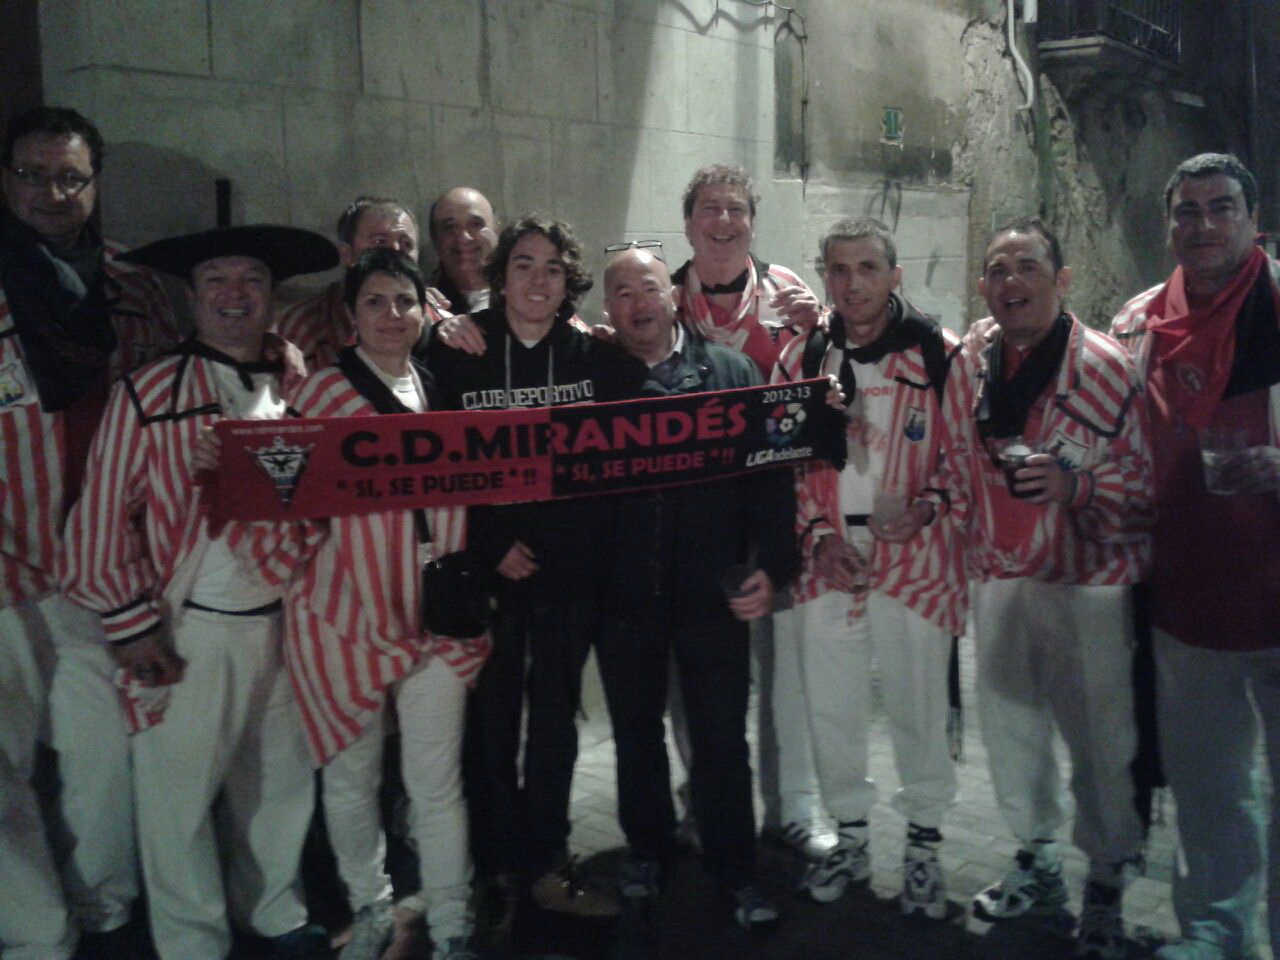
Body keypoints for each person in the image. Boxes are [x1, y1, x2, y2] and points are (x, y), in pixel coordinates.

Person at [60, 224, 338, 960]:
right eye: (217, 279)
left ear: (272, 294)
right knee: (177, 797)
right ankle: (192, 941)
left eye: (251, 279)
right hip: (196, 625)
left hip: (292, 618)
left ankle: (273, 910)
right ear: (192, 294)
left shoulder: (307, 386)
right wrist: (131, 626)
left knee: (278, 781)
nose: (234, 294)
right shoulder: (149, 392)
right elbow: (98, 520)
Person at [233, 248, 486, 960]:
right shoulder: (318, 395)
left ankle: (451, 920)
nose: (391, 315)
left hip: (436, 618)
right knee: (351, 781)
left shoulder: (439, 387)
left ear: (423, 311)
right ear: (350, 315)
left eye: (404, 301)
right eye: (374, 301)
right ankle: (370, 905)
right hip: (343, 616)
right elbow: (281, 498)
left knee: (435, 782)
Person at [938, 217, 1153, 960]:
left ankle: (1107, 880)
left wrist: (1076, 486)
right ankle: (1035, 859)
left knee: (1101, 742)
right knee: (1011, 732)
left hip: (1084, 581)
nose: (1012, 282)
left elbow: (1146, 487)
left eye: (1028, 267)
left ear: (1061, 280)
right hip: (998, 572)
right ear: (982, 287)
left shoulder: (1108, 367)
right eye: (998, 270)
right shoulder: (974, 359)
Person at [0, 105, 177, 960]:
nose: (51, 193)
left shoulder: (134, 291)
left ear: (95, 184)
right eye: (33, 175)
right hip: (3, 567)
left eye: (70, 177)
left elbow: (173, 406)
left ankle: (104, 916)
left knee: (103, 760)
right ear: (6, 182)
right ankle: (38, 934)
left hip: (92, 571)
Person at [591, 245, 798, 930]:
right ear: (607, 308)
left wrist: (775, 566)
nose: (638, 304)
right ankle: (648, 852)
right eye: (622, 293)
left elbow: (770, 480)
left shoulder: (733, 373)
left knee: (721, 742)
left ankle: (736, 869)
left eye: (649, 288)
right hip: (625, 598)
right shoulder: (593, 382)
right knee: (636, 739)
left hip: (713, 599)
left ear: (675, 296)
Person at [425, 216, 618, 930]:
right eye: (524, 265)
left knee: (556, 729)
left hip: (568, 576)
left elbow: (649, 438)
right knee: (491, 730)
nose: (538, 280)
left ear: (569, 283)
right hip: (489, 576)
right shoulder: (458, 352)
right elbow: (435, 464)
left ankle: (546, 865)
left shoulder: (596, 357)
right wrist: (488, 545)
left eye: (553, 269)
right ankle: (496, 870)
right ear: (500, 276)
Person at [1110, 153, 1280, 960]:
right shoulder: (1136, 321)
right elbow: (1111, 435)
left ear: (1254, 219)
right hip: (1186, 596)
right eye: (1187, 210)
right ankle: (1214, 930)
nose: (1203, 224)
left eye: (1221, 208)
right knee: (1209, 786)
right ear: (1168, 223)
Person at [774, 218, 964, 917]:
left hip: (917, 552)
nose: (852, 283)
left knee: (919, 706)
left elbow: (963, 456)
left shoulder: (940, 353)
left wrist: (928, 509)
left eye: (867, 268)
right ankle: (850, 835)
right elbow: (781, 460)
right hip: (827, 558)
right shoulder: (801, 357)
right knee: (832, 707)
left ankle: (924, 846)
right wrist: (818, 535)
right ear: (824, 276)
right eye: (838, 269)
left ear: (894, 275)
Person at [276, 195, 421, 368]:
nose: (395, 251)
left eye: (406, 244)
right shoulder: (302, 325)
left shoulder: (434, 318)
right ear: (347, 254)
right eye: (379, 242)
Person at [428, 185, 498, 315]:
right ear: (435, 239)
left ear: (496, 232)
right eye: (450, 227)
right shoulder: (425, 305)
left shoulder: (521, 295)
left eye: (475, 224)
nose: (464, 237)